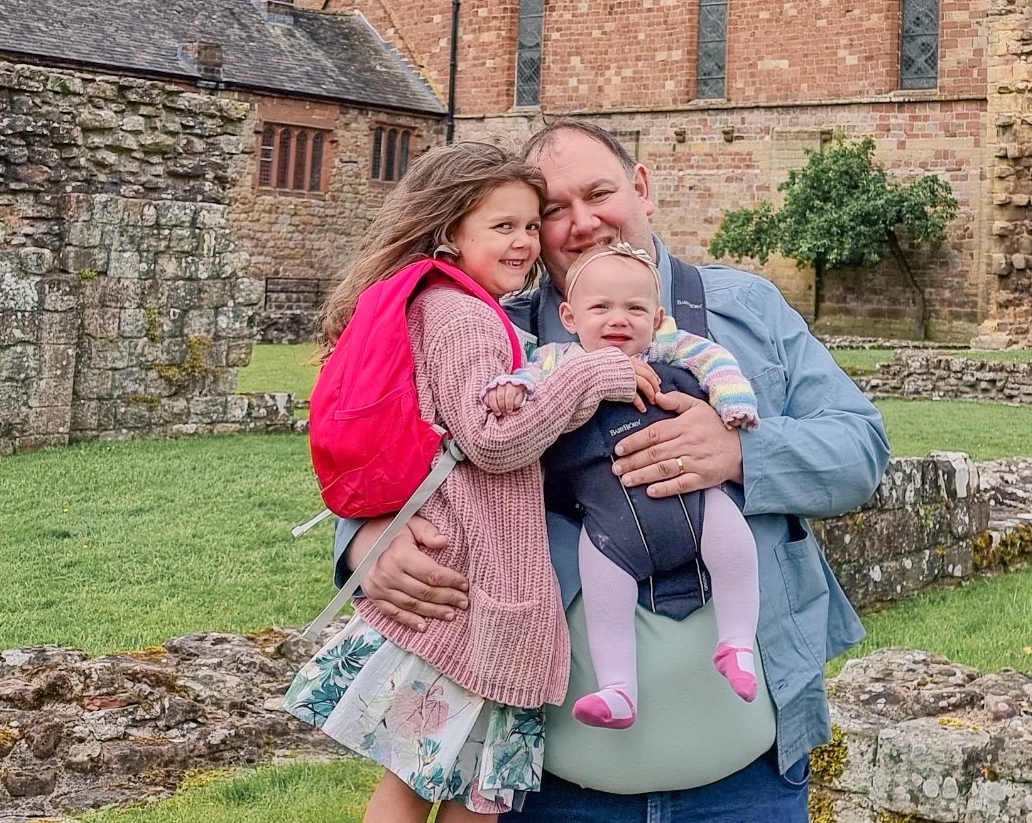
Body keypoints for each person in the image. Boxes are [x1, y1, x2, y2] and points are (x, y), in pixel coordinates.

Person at [339, 118, 889, 822]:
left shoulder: (748, 308)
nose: (581, 222)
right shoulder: (492, 329)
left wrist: (742, 453)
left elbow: (862, 447)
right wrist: (366, 538)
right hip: (550, 793)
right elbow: (377, 445)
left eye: (597, 192)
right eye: (552, 211)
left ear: (643, 188)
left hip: (750, 788)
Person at [285, 144, 648, 823]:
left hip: (472, 582)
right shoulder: (462, 313)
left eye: (528, 226)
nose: (523, 242)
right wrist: (596, 372)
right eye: (501, 225)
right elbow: (492, 437)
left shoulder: (446, 303)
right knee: (439, 788)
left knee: (458, 786)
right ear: (451, 230)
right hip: (477, 591)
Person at [485, 238, 763, 727]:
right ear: (571, 318)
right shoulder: (557, 359)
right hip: (608, 526)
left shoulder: (671, 349)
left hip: (695, 504)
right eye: (601, 307)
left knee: (735, 545)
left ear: (657, 320)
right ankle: (618, 689)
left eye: (635, 308)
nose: (618, 319)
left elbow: (717, 362)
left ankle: (737, 642)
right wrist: (512, 387)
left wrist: (733, 402)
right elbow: (527, 379)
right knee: (603, 593)